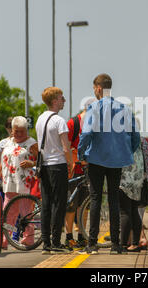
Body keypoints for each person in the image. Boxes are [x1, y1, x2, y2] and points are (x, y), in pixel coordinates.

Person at [78, 73, 140, 255]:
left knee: (96, 198)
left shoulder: (94, 108)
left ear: (97, 88)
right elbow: (135, 135)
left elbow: (86, 133)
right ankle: (116, 244)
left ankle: (92, 244)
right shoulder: (124, 108)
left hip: (96, 159)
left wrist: (82, 154)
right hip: (117, 160)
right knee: (113, 199)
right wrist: (126, 151)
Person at [36, 87, 74, 255]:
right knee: (59, 204)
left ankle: (46, 243)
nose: (63, 100)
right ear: (54, 101)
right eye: (61, 98)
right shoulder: (59, 121)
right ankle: (57, 242)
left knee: (46, 204)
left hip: (44, 166)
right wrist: (71, 163)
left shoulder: (40, 119)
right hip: (58, 165)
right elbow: (66, 147)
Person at [0, 116, 38, 249]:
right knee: (8, 213)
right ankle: (5, 238)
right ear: (11, 130)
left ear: (26, 130)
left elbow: (41, 161)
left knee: (26, 212)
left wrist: (32, 163)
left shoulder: (31, 143)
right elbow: (1, 163)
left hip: (25, 183)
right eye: (16, 131)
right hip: (9, 183)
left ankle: (28, 238)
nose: (18, 134)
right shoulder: (6, 143)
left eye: (22, 131)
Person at [64, 97, 95, 250]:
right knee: (71, 204)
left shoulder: (94, 124)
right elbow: (66, 146)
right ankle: (69, 237)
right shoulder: (73, 123)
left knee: (84, 205)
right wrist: (74, 160)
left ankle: (82, 236)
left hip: (89, 170)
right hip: (74, 170)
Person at [119, 133, 145, 252]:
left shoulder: (121, 136)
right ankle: (135, 244)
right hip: (137, 176)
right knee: (134, 210)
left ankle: (123, 245)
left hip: (126, 177)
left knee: (125, 211)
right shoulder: (136, 135)